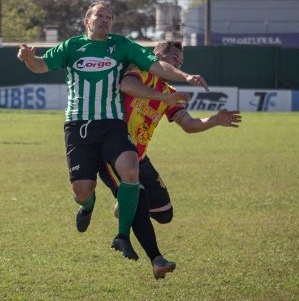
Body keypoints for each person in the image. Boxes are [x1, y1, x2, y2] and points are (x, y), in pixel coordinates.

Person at [16, 0, 209, 261]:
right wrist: (29, 58)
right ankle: (88, 204)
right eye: (99, 15)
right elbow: (40, 65)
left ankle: (121, 236)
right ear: (87, 21)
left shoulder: (122, 45)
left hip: (112, 122)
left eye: (109, 16)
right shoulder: (72, 46)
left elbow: (156, 65)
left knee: (131, 170)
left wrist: (185, 76)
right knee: (82, 190)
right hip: (78, 124)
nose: (105, 20)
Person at [98, 40, 242, 279]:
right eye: (174, 59)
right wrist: (160, 97)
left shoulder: (170, 94)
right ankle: (156, 258)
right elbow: (126, 84)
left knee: (165, 214)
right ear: (157, 55)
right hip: (116, 153)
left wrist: (214, 120)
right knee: (139, 202)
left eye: (181, 62)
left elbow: (189, 124)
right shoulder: (140, 70)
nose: (177, 64)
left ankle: (124, 206)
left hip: (141, 158)